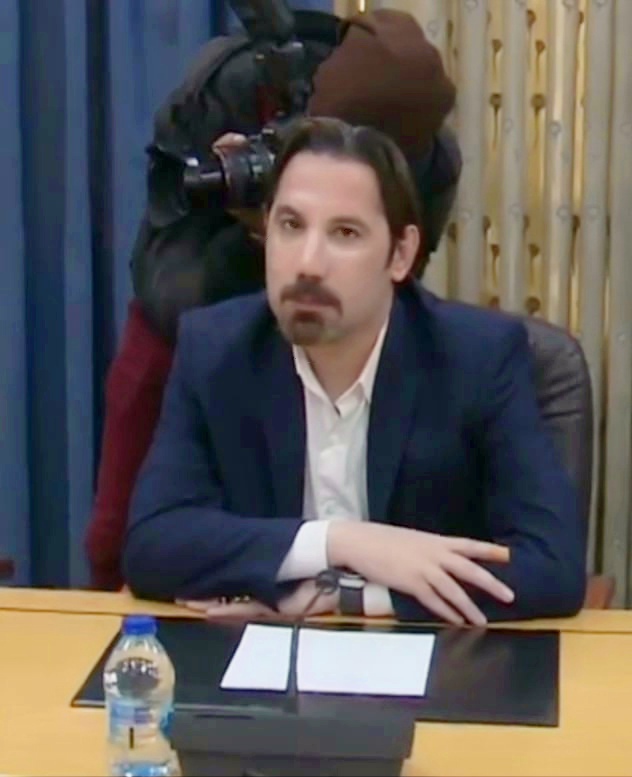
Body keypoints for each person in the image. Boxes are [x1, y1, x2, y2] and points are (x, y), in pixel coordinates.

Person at [123, 116, 586, 625]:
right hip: (264, 662)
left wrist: (346, 599)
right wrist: (344, 543)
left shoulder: (477, 358)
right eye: (291, 226)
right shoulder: (216, 351)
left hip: (438, 661)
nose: (308, 263)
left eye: (345, 233)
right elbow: (153, 544)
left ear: (400, 254)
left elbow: (552, 566)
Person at [85, 8, 461, 591]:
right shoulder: (235, 88)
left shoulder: (430, 162)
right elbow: (166, 265)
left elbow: (400, 279)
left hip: (327, 341)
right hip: (182, 320)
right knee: (118, 540)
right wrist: (255, 230)